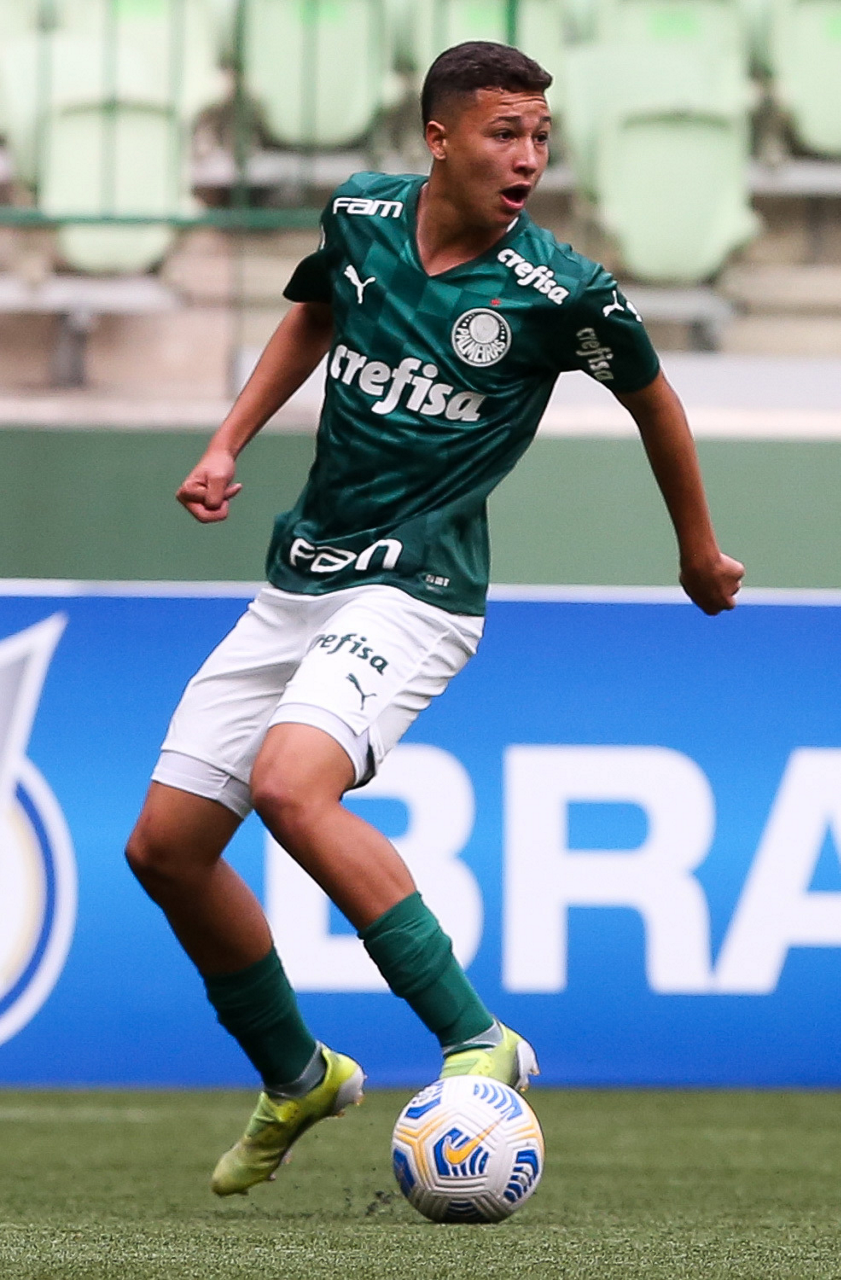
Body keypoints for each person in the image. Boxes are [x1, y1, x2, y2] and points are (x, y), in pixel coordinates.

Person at [126, 40, 744, 1197]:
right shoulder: (361, 215)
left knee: (290, 785)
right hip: (303, 574)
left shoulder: (559, 290)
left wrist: (696, 551)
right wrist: (225, 441)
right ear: (439, 138)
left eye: (541, 137)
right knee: (163, 848)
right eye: (506, 133)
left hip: (418, 588)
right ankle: (298, 1074)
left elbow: (654, 400)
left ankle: (477, 1034)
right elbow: (315, 313)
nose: (528, 157)